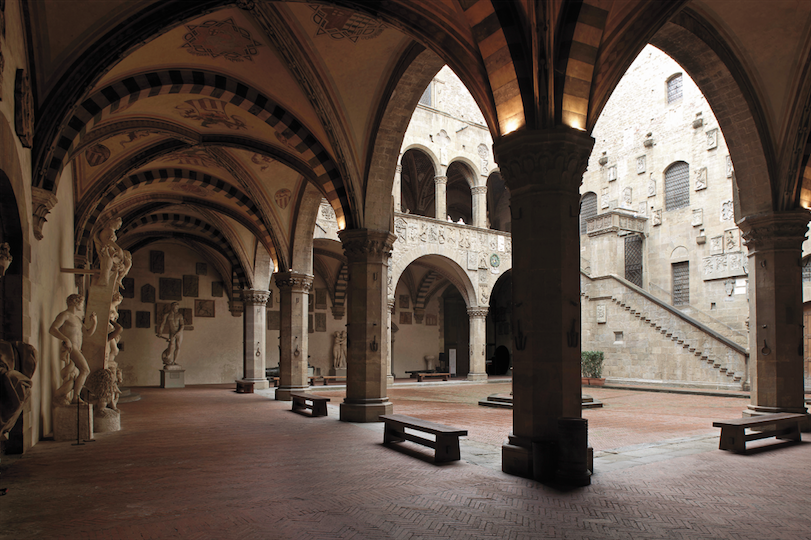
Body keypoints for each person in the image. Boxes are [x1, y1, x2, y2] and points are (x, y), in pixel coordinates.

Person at [49, 294, 97, 404]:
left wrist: (95, 322)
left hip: (77, 349)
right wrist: (65, 339)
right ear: (75, 302)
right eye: (82, 303)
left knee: (79, 373)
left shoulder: (77, 319)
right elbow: (52, 329)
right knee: (85, 370)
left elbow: (88, 333)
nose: (82, 305)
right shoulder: (65, 315)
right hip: (71, 348)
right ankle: (76, 397)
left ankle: (73, 396)